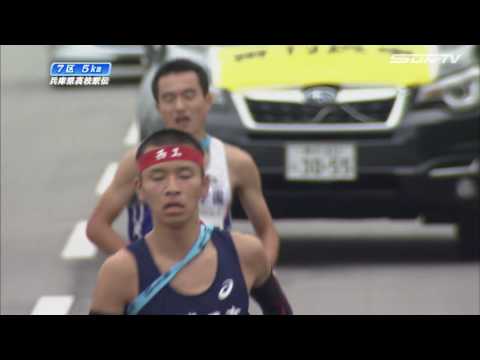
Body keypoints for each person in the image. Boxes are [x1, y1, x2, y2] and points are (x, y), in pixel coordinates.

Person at [86, 58, 279, 266]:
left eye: (189, 96)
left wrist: (258, 278)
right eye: (169, 98)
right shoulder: (138, 161)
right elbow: (98, 226)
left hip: (215, 286)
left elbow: (267, 232)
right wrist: (140, 269)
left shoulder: (235, 162)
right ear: (158, 107)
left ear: (208, 100)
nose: (179, 107)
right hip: (154, 292)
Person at [89, 129, 292, 315]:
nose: (172, 188)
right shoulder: (120, 273)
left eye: (184, 175)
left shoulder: (245, 253)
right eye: (158, 177)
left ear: (204, 186)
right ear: (140, 189)